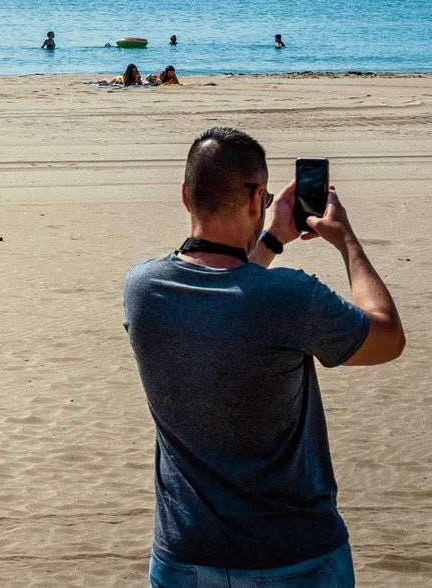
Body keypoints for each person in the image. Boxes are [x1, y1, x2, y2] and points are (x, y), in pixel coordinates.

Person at [123, 127, 404, 586]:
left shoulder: (143, 290)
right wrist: (346, 240)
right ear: (257, 199)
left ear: (185, 197)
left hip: (187, 553)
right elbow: (388, 336)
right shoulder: (291, 298)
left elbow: (228, 292)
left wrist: (272, 239)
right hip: (294, 554)